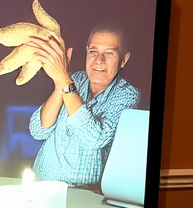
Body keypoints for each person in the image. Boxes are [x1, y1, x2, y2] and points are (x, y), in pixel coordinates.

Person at [24, 23, 139, 186]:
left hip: (84, 196)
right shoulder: (75, 79)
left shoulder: (127, 95)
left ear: (123, 60)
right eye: (93, 51)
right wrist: (60, 84)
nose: (99, 60)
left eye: (109, 53)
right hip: (42, 183)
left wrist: (63, 79)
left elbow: (96, 138)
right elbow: (38, 130)